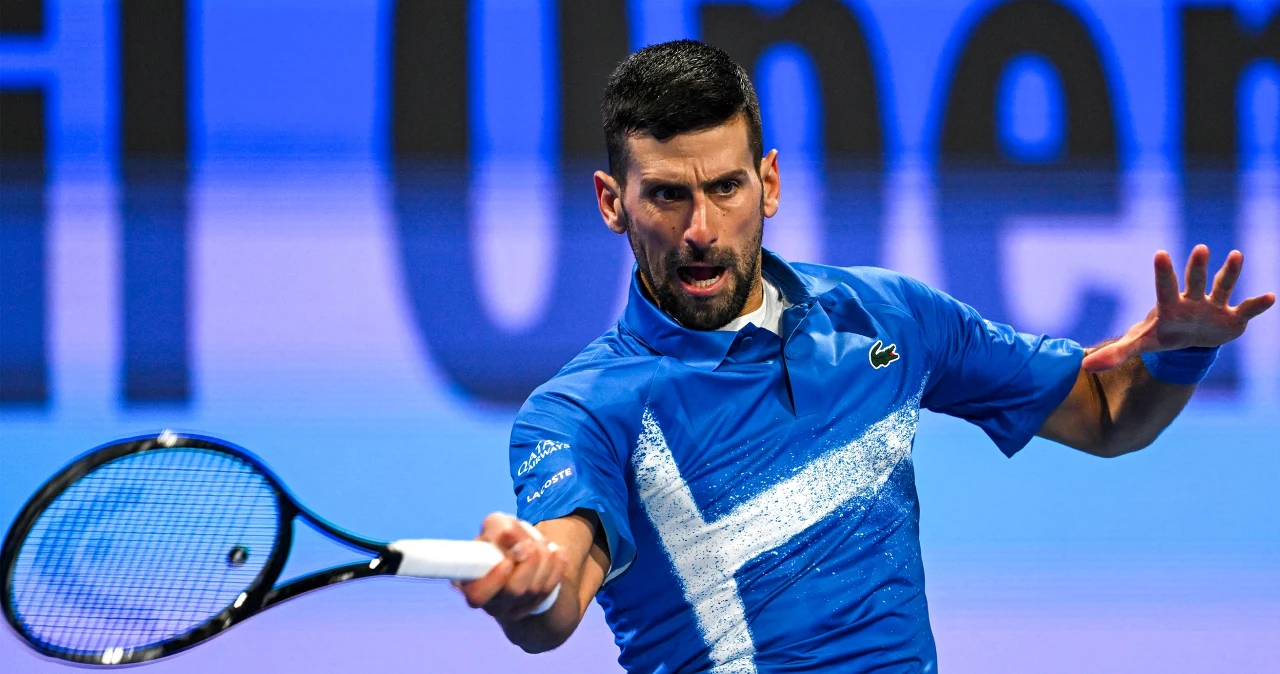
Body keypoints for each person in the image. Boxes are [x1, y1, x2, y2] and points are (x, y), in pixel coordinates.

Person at [455, 40, 1275, 672]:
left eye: (726, 188)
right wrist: (532, 582)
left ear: (768, 185)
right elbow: (559, 587)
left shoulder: (888, 317)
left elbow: (1106, 418)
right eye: (668, 194)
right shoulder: (580, 410)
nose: (700, 229)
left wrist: (1181, 357)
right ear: (612, 203)